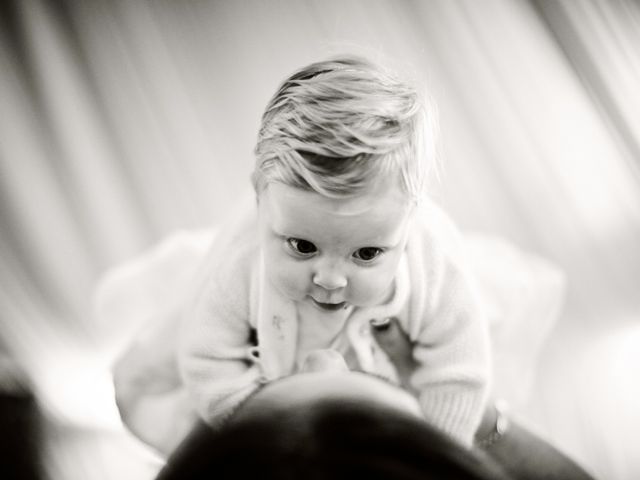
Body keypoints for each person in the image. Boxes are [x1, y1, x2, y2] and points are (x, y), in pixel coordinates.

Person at [178, 55, 491, 448]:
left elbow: (459, 372)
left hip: (397, 391)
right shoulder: (240, 267)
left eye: (366, 254)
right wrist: (272, 424)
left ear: (409, 218)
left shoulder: (432, 262)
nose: (330, 278)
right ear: (261, 200)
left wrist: (431, 453)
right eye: (303, 246)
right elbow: (208, 365)